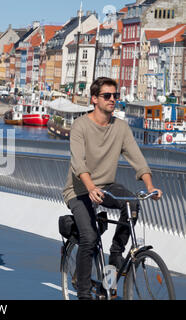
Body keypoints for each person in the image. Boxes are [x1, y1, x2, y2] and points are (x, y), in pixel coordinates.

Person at [62, 77, 162, 300]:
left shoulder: (121, 127)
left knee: (133, 205)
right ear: (94, 99)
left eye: (115, 95)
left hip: (106, 185)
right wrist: (89, 188)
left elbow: (138, 159)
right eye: (106, 96)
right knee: (89, 237)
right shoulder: (80, 125)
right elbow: (78, 163)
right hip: (78, 189)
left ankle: (112, 269)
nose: (112, 100)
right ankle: (84, 293)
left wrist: (150, 185)